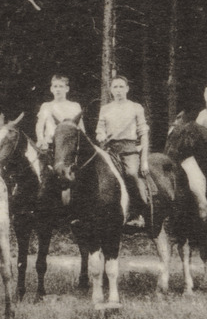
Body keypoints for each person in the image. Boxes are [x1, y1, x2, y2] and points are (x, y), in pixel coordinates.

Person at [95, 75, 151, 228]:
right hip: (109, 149)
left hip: (129, 149)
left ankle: (137, 213)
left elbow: (143, 133)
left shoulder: (136, 107)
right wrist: (101, 135)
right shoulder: (105, 109)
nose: (118, 90)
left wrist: (144, 160)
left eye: (121, 87)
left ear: (127, 89)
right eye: (115, 87)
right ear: (111, 90)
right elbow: (100, 129)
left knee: (131, 173)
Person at [35, 73, 85, 155]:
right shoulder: (46, 106)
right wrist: (41, 139)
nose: (58, 89)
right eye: (55, 86)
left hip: (70, 146)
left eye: (61, 86)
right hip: (51, 145)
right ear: (51, 89)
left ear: (67, 89)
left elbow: (81, 128)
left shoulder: (75, 106)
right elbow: (39, 126)